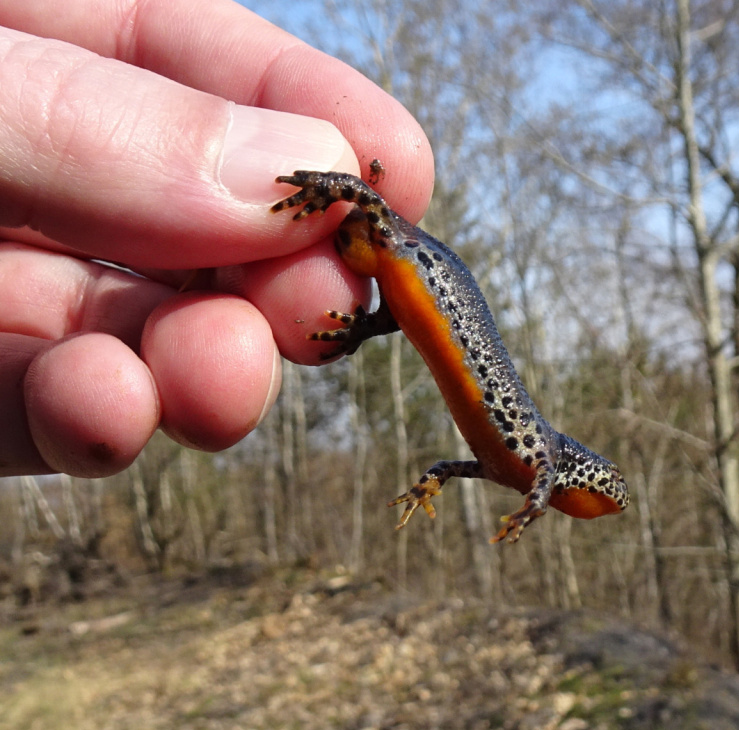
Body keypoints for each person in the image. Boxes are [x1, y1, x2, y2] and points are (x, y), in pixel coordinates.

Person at [0, 0, 434, 477]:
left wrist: (362, 327)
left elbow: (391, 310)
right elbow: (358, 196)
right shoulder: (374, 224)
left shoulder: (387, 260)